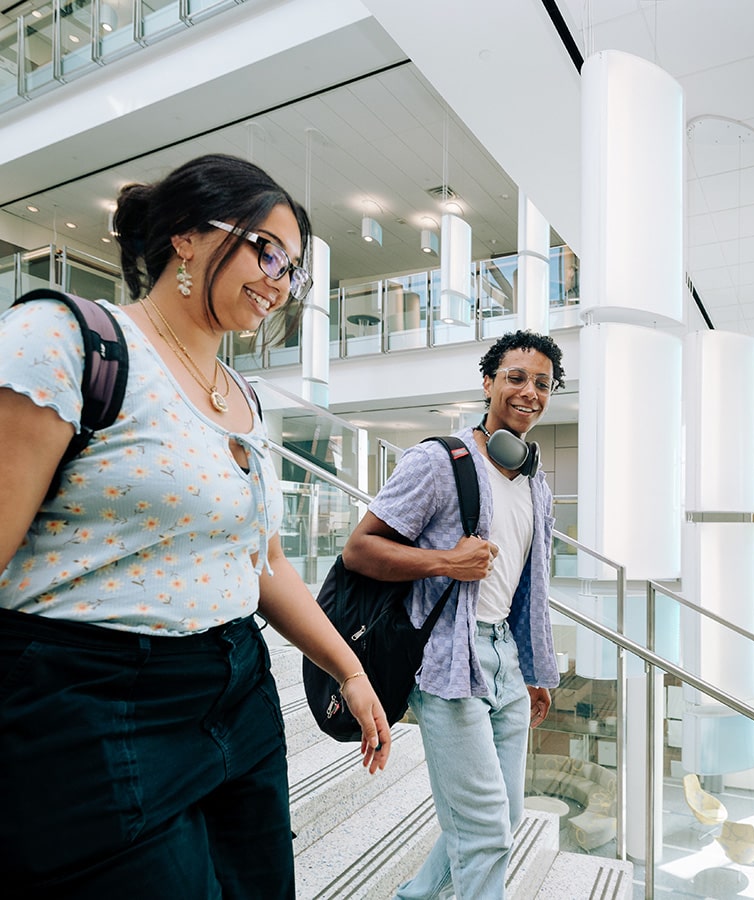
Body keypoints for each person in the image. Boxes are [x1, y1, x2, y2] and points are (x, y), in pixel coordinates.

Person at [0, 153, 391, 899]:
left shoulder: (243, 397)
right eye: (267, 250)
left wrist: (348, 666)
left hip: (235, 689)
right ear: (186, 236)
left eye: (295, 270)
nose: (281, 281)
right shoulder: (68, 338)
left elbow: (264, 561)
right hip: (92, 697)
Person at [342, 330, 566, 899]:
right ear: (488, 383)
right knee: (487, 833)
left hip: (506, 662)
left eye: (542, 383)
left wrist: (535, 669)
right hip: (447, 662)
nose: (529, 392)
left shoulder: (536, 483)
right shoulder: (439, 462)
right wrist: (446, 561)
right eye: (516, 377)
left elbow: (528, 588)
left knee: (504, 815)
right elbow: (360, 549)